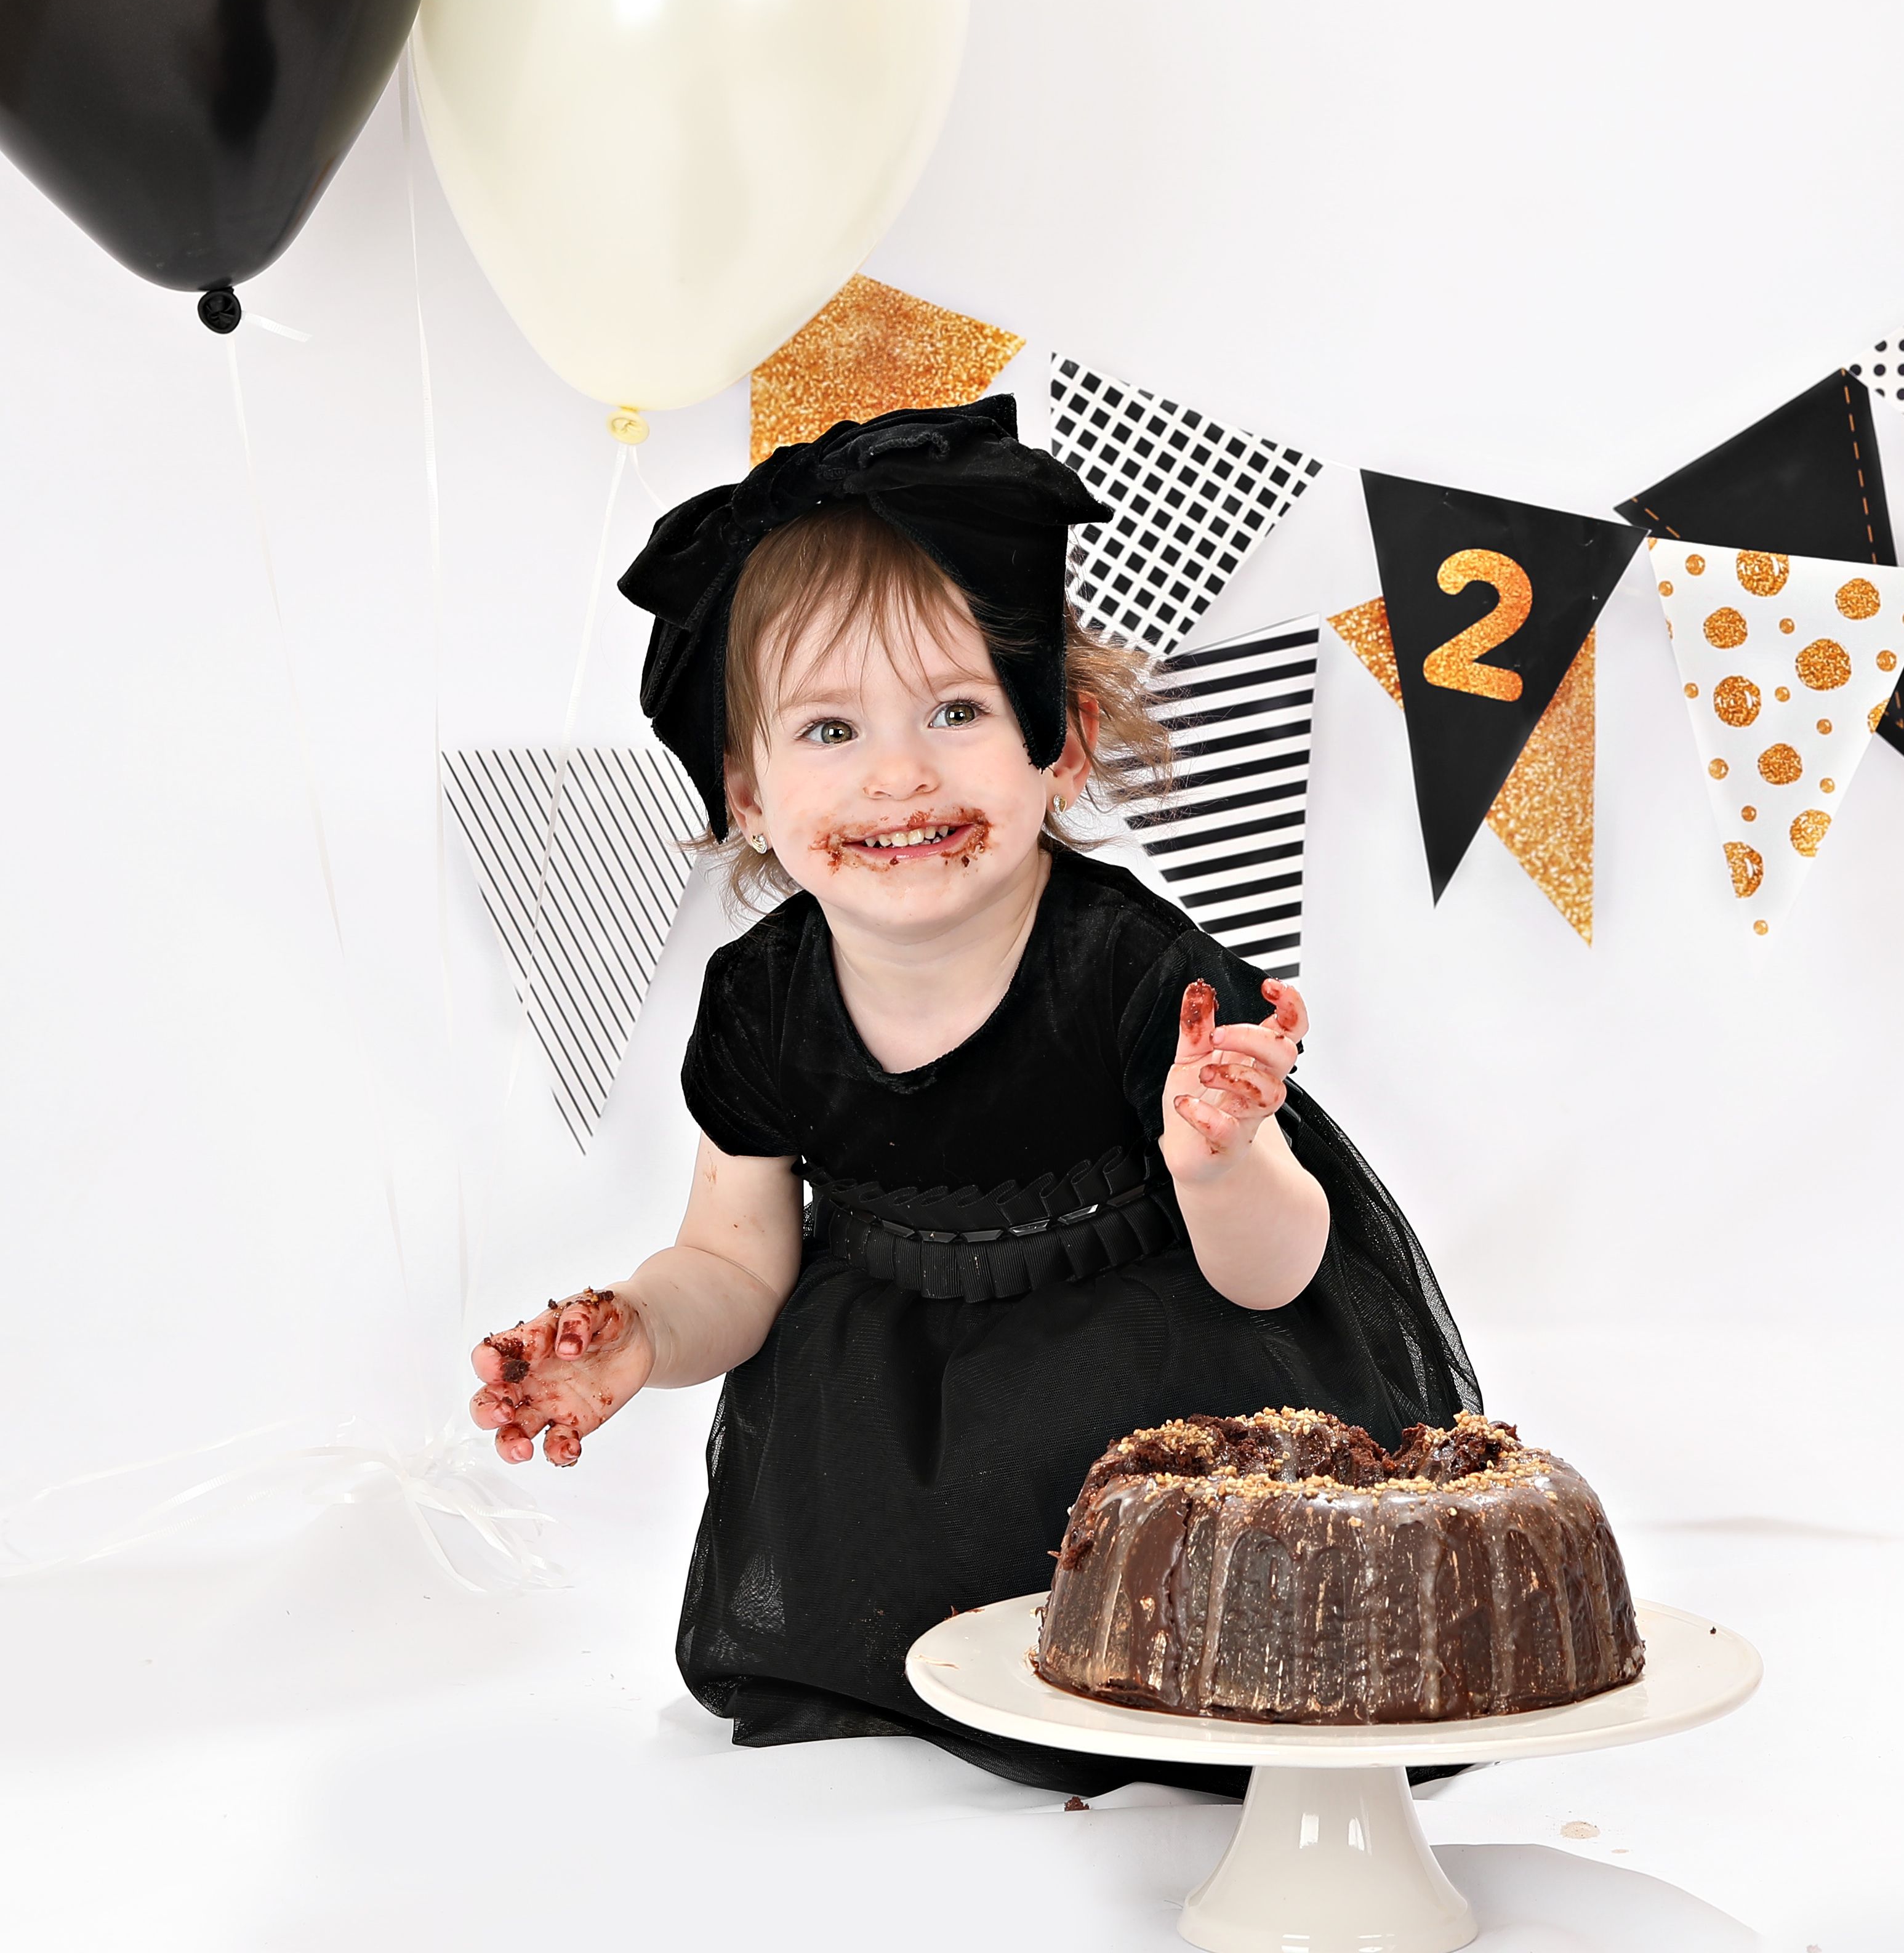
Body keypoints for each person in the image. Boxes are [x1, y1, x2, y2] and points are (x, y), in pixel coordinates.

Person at [466, 398, 1477, 1790]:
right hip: (906, 1453)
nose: (899, 772)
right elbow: (735, 1266)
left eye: (956, 711)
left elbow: (1277, 1274)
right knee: (896, 1711)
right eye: (830, 728)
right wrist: (637, 1335)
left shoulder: (1137, 973)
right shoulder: (761, 999)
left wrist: (1220, 1161)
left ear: (1059, 743)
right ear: (745, 788)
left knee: (1214, 1681)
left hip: (1159, 1430)